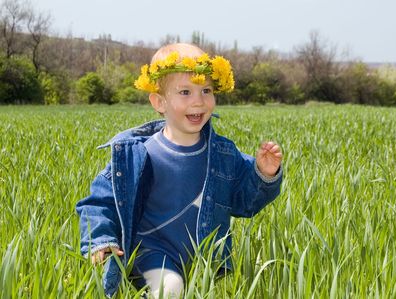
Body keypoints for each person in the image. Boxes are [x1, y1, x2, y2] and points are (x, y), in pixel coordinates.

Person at [76, 43, 283, 298]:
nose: (198, 101)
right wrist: (101, 241)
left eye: (206, 90)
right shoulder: (138, 154)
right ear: (159, 102)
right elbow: (98, 203)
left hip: (202, 260)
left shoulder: (223, 155)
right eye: (185, 92)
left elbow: (245, 202)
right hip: (150, 252)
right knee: (170, 289)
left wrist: (264, 174)